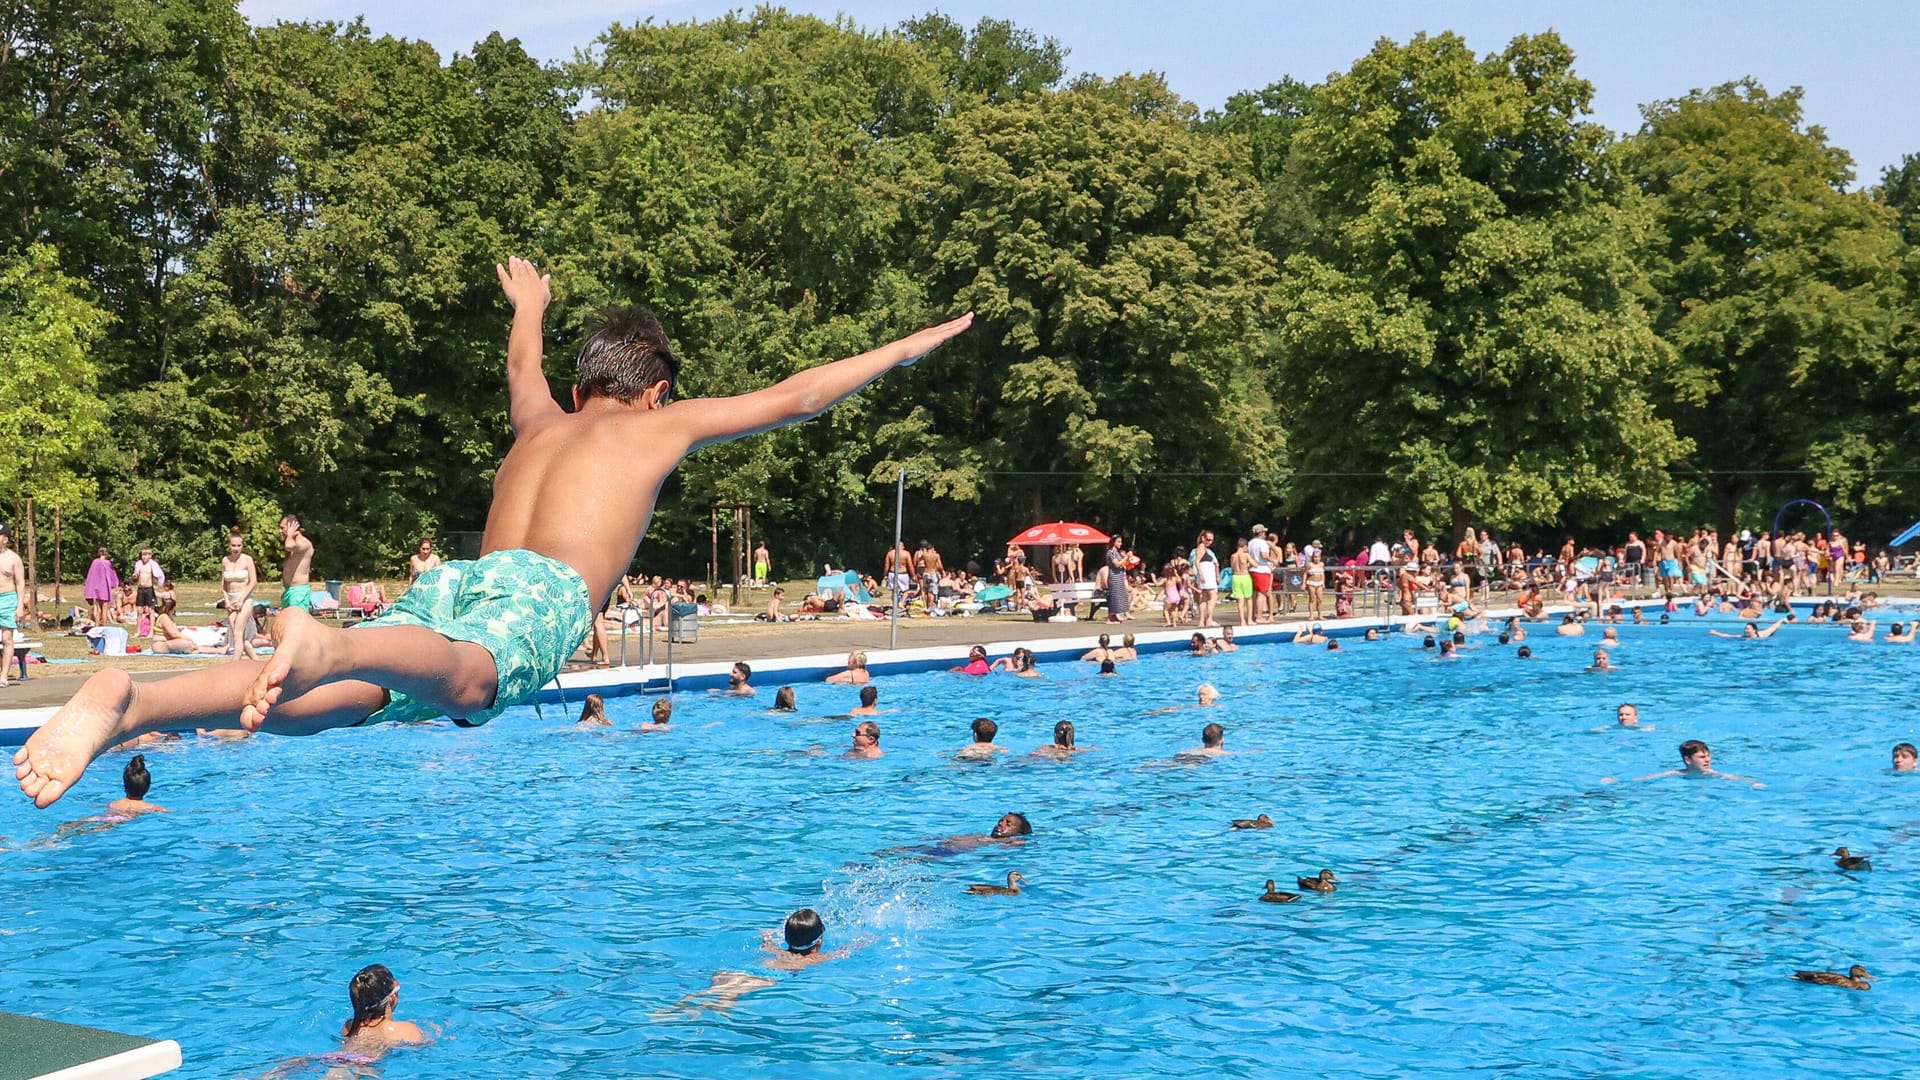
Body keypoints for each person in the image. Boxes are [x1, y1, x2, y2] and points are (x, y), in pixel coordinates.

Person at [15, 258, 974, 808]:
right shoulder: (655, 425)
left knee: (351, 702)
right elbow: (797, 399)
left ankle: (131, 702)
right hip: (538, 590)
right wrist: (911, 342)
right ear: (654, 389)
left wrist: (531, 308)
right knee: (473, 683)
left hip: (462, 583)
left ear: (583, 377)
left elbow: (522, 362)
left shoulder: (539, 421)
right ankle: (328, 641)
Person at [339, 964, 427, 1059]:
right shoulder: (407, 1030)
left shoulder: (349, 1026)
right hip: (367, 1065)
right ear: (393, 998)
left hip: (336, 1058)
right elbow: (424, 1048)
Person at [1615, 740, 1762, 787]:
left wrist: (1753, 783)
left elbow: (1737, 779)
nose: (1708, 760)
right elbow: (1647, 778)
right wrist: (1619, 782)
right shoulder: (1676, 774)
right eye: (1702, 757)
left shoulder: (1715, 775)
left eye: (1708, 756)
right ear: (1688, 760)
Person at [220, 532, 260, 660]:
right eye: (233, 545)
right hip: (231, 600)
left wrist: (242, 600)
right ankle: (256, 661)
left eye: (239, 545)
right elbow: (223, 585)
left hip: (245, 599)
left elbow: (253, 581)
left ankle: (234, 663)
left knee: (238, 632)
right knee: (239, 636)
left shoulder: (247, 559)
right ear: (229, 546)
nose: (236, 548)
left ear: (242, 546)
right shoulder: (225, 561)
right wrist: (227, 602)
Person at [105, 755, 167, 820]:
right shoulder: (151, 808)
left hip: (110, 816)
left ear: (124, 787)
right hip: (126, 818)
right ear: (148, 788)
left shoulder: (113, 804)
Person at [0, 525, 24, 688]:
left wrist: (20, 606)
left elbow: (20, 582)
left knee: (7, 639)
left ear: (5, 538)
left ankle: (3, 676)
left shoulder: (14, 559)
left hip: (8, 599)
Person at [277, 514, 315, 617]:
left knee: (297, 624)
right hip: (289, 591)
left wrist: (289, 535)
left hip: (299, 592)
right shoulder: (294, 542)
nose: (280, 531)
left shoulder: (303, 543)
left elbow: (289, 546)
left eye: (282, 528)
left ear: (292, 527)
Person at [83, 548, 119, 628]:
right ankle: (104, 625)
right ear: (106, 554)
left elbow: (91, 574)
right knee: (105, 607)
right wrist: (114, 583)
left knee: (98, 607)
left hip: (96, 587)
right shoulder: (107, 563)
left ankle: (96, 624)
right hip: (104, 587)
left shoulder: (95, 562)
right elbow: (111, 575)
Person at [130, 546, 165, 626]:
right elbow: (136, 574)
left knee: (151, 610)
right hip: (140, 589)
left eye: (146, 555)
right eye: (143, 555)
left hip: (148, 589)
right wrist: (135, 575)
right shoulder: (139, 564)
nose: (144, 557)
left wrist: (159, 581)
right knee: (139, 610)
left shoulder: (152, 565)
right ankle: (138, 630)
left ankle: (151, 631)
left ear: (150, 556)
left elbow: (158, 574)